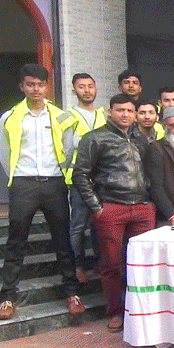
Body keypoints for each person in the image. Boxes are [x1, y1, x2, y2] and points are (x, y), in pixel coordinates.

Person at [0, 63, 83, 320]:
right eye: (30, 84)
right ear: (22, 86)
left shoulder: (61, 116)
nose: (36, 89)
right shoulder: (9, 118)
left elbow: (69, 150)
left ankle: (72, 293)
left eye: (40, 84)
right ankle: (7, 297)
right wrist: (17, 177)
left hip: (55, 182)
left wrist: (62, 175)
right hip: (23, 183)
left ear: (47, 87)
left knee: (63, 240)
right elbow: (5, 154)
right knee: (16, 241)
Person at [72, 94, 160, 332]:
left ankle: (140, 311)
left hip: (142, 208)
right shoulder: (94, 138)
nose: (125, 115)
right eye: (120, 110)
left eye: (130, 111)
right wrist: (96, 207)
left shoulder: (140, 139)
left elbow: (149, 171)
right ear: (109, 112)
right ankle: (117, 312)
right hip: (111, 207)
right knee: (111, 264)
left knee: (141, 263)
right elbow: (80, 175)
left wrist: (150, 203)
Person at [63, 73, 106, 283]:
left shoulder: (104, 115)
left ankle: (100, 263)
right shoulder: (67, 116)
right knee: (78, 226)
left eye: (90, 86)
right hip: (78, 180)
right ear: (74, 90)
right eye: (81, 86)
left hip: (102, 180)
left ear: (96, 89)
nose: (87, 90)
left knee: (100, 224)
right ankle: (78, 266)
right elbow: (64, 150)